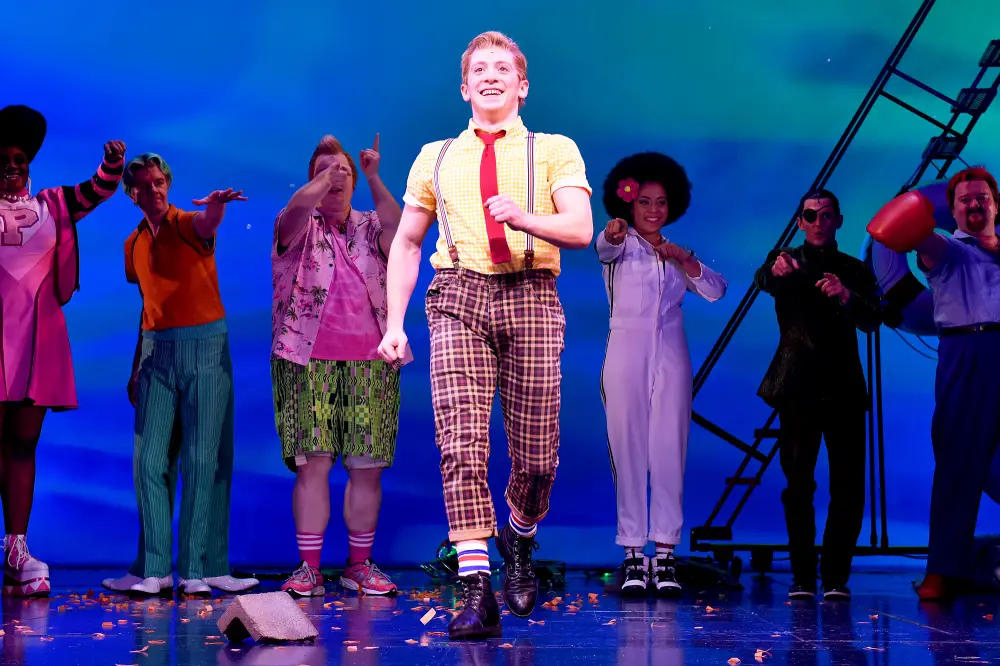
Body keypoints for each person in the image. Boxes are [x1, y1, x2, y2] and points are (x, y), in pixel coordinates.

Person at [378, 30, 593, 640]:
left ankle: (518, 535)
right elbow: (409, 241)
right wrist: (393, 324)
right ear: (466, 86)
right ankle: (476, 589)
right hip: (458, 297)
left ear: (522, 85)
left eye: (504, 68)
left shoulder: (554, 149)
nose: (491, 77)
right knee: (462, 443)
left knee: (536, 455)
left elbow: (579, 227)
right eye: (480, 69)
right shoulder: (436, 156)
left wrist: (522, 216)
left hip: (529, 293)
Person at [100, 152, 257, 596]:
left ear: (167, 184)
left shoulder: (186, 224)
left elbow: (207, 226)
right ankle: (153, 569)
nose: (154, 190)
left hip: (205, 349)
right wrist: (136, 365)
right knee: (149, 462)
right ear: (132, 194)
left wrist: (216, 208)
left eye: (159, 182)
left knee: (203, 460)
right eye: (145, 185)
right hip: (156, 355)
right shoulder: (133, 245)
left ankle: (199, 568)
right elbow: (147, 305)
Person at [271, 133, 406, 597]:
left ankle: (359, 565)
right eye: (325, 172)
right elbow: (293, 210)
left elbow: (400, 227)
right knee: (313, 465)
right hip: (309, 362)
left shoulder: (370, 225)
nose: (336, 179)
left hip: (372, 363)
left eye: (341, 172)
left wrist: (369, 174)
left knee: (367, 467)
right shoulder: (297, 225)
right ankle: (308, 568)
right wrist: (325, 176)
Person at [0, 105, 124, 596]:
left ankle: (16, 546)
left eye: (20, 158)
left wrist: (112, 162)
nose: (12, 166)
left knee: (24, 443)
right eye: (3, 158)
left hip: (38, 336)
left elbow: (97, 190)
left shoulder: (52, 204)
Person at [595, 152, 727, 597]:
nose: (653, 210)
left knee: (671, 447)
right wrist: (614, 231)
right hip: (625, 349)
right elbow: (604, 246)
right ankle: (634, 553)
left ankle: (666, 553)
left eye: (661, 203)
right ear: (629, 204)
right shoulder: (618, 243)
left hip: (672, 352)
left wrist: (685, 259)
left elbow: (716, 290)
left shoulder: (675, 253)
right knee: (627, 446)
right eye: (645, 202)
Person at [867, 166, 1000, 600]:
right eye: (964, 199)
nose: (975, 204)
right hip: (965, 353)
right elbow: (902, 232)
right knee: (957, 463)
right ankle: (943, 570)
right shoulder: (947, 249)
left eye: (983, 197)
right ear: (954, 209)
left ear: (996, 204)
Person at [754, 189, 881, 601]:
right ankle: (804, 577)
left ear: (839, 220)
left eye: (827, 215)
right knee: (798, 484)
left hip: (843, 388)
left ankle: (836, 577)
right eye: (811, 215)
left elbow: (873, 319)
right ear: (800, 221)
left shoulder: (855, 270)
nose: (819, 222)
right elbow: (764, 280)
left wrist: (844, 295)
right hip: (797, 387)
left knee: (847, 485)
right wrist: (776, 269)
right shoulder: (787, 261)